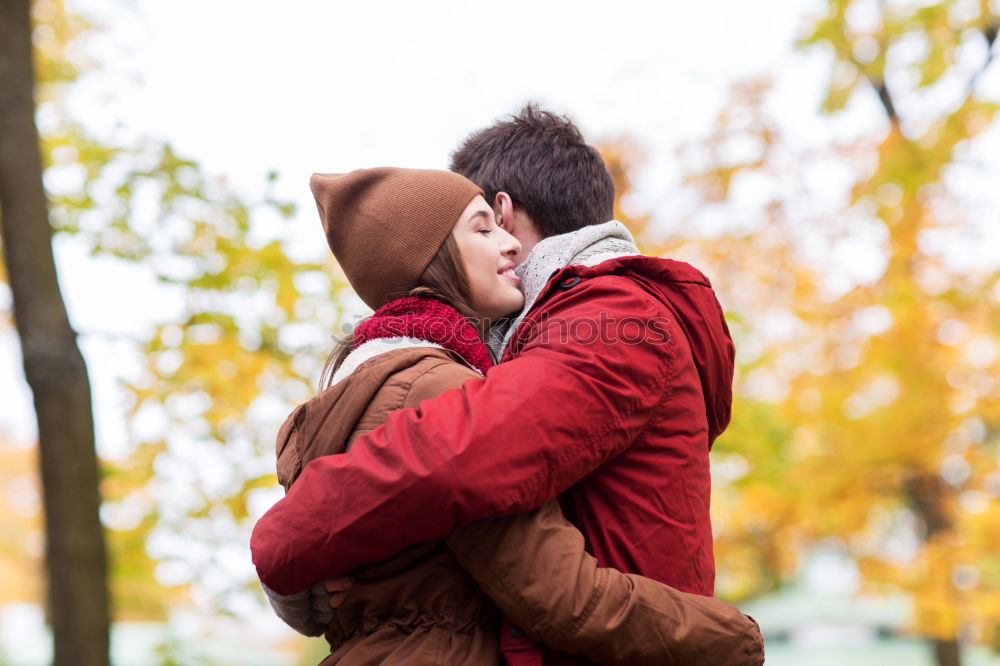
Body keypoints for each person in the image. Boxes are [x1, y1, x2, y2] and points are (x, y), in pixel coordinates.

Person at [253, 108, 765, 664]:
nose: (501, 245)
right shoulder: (462, 361)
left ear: (502, 210)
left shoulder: (612, 314)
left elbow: (463, 458)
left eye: (488, 223)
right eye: (476, 231)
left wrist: (286, 541)